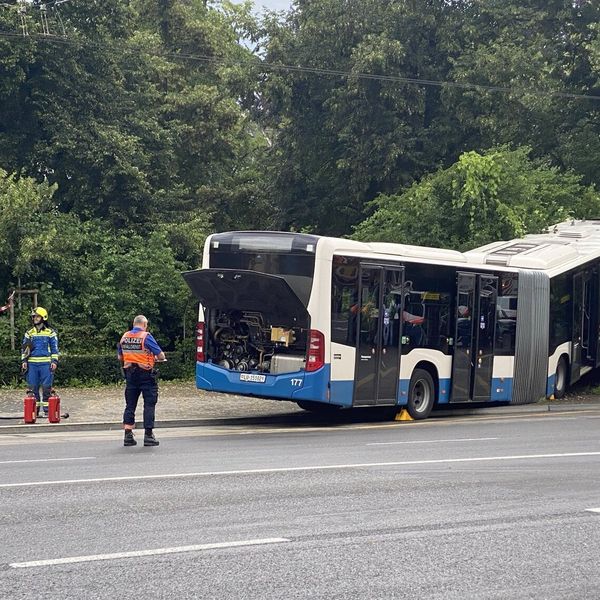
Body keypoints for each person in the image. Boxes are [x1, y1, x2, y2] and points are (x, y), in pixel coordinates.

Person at [118, 315, 166, 447]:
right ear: (144, 325)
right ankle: (148, 436)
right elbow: (161, 355)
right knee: (149, 404)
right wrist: (154, 358)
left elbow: (119, 356)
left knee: (130, 404)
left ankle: (128, 435)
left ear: (134, 324)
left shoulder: (125, 337)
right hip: (146, 375)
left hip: (130, 375)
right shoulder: (146, 336)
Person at [21, 307, 59, 417]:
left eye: (37, 316)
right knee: (33, 388)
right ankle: (34, 411)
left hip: (46, 365)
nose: (35, 318)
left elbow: (54, 349)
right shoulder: (29, 333)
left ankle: (48, 411)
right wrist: (24, 361)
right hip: (32, 365)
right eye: (34, 317)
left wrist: (54, 361)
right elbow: (25, 349)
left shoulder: (50, 333)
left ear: (44, 318)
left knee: (47, 388)